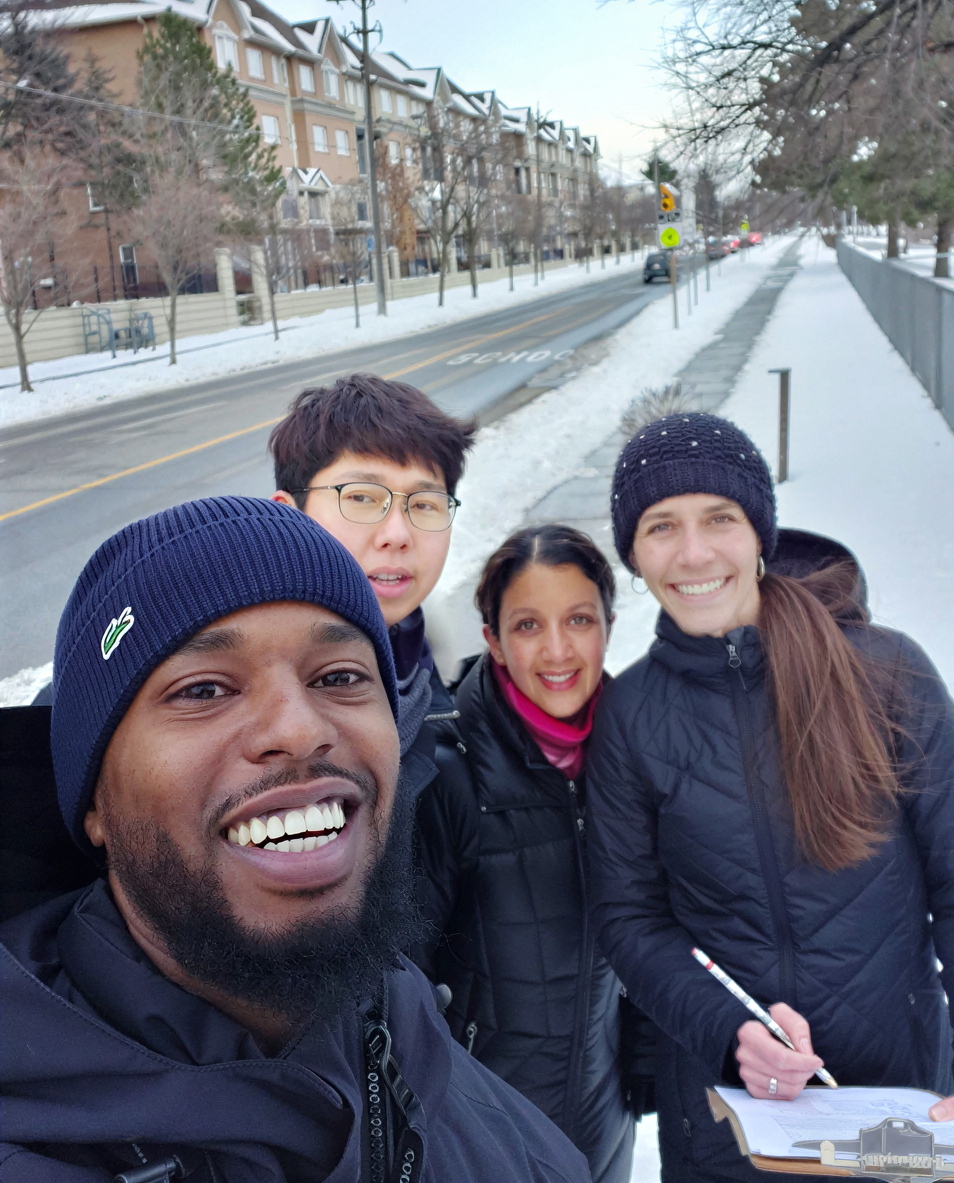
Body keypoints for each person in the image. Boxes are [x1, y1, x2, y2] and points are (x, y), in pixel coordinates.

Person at [0, 496, 590, 1183]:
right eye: (203, 690)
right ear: (94, 800)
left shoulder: (405, 1025)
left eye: (339, 677)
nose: (299, 728)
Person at [586, 412, 954, 1183]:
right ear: (634, 555)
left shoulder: (886, 675)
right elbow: (629, 917)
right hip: (730, 1127)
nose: (694, 553)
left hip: (906, 1102)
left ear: (760, 534)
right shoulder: (631, 716)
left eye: (721, 518)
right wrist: (728, 1031)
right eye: (660, 527)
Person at [414, 524, 655, 1183]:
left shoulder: (636, 755)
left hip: (604, 1123)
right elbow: (399, 983)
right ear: (491, 639)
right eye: (526, 626)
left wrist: (645, 1049)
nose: (557, 650)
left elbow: (657, 925)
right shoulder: (448, 771)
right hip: (485, 1139)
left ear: (607, 624)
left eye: (579, 619)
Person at [269, 374, 477, 802]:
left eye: (423, 504)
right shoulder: (232, 706)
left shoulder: (427, 682)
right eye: (361, 497)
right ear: (287, 516)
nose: (398, 534)